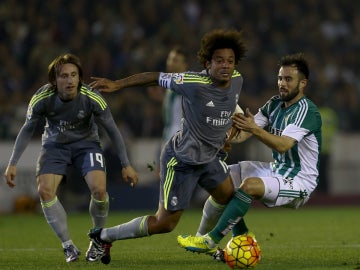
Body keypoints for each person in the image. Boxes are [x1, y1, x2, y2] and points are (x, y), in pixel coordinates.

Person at [87, 28, 247, 264]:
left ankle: (202, 240)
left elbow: (229, 109)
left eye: (230, 61)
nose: (226, 66)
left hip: (210, 158)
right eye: (220, 61)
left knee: (229, 196)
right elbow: (155, 76)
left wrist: (228, 133)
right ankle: (103, 236)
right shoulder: (192, 81)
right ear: (207, 63)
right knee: (164, 223)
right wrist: (118, 85)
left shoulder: (236, 80)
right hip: (182, 160)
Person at [177, 53, 322, 261]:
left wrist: (253, 129)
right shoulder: (274, 104)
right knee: (223, 179)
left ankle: (211, 239)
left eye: (288, 79)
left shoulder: (307, 111)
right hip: (277, 170)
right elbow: (246, 131)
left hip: (300, 181)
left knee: (249, 186)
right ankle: (222, 237)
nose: (282, 83)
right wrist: (225, 136)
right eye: (280, 78)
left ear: (303, 83)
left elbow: (283, 145)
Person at [3, 53, 139, 263]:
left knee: (100, 190)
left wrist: (126, 164)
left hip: (87, 145)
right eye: (64, 76)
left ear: (79, 77)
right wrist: (12, 163)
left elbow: (112, 129)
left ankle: (97, 241)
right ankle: (68, 246)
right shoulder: (42, 98)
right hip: (55, 146)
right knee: (45, 191)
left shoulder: (91, 97)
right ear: (54, 81)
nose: (70, 80)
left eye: (74, 75)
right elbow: (26, 129)